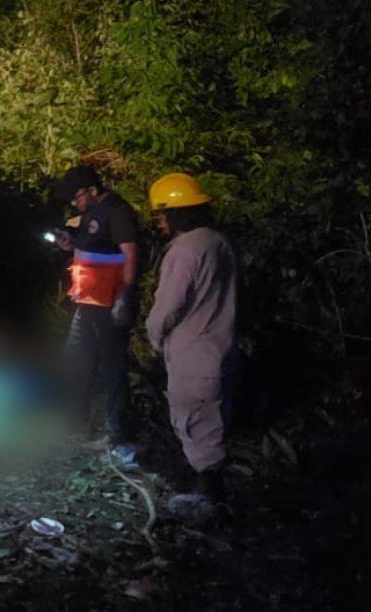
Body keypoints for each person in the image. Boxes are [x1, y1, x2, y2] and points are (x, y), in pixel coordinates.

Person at [145, 173, 238, 513]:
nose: (159, 221)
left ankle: (211, 501)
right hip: (221, 347)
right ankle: (212, 494)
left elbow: (169, 305)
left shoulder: (184, 251)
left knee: (195, 424)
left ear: (176, 213)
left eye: (161, 214)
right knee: (212, 420)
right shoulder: (218, 242)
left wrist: (153, 335)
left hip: (192, 353)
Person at [52, 164, 140, 451]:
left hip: (110, 303)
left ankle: (117, 435)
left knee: (112, 368)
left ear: (92, 190)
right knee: (75, 359)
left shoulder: (118, 211)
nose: (74, 203)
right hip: (87, 301)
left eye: (77, 197)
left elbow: (129, 254)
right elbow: (94, 249)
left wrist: (125, 297)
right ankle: (77, 422)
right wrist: (70, 244)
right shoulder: (89, 212)